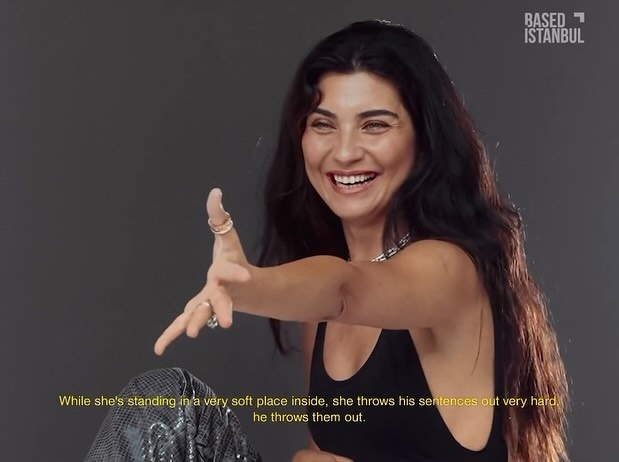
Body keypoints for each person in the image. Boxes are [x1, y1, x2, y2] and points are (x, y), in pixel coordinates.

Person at [86, 20, 569, 462]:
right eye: (323, 124)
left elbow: (345, 290)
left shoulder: (449, 270)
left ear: (424, 140)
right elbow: (326, 450)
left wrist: (251, 285)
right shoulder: (316, 309)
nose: (345, 152)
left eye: (374, 124)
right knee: (165, 402)